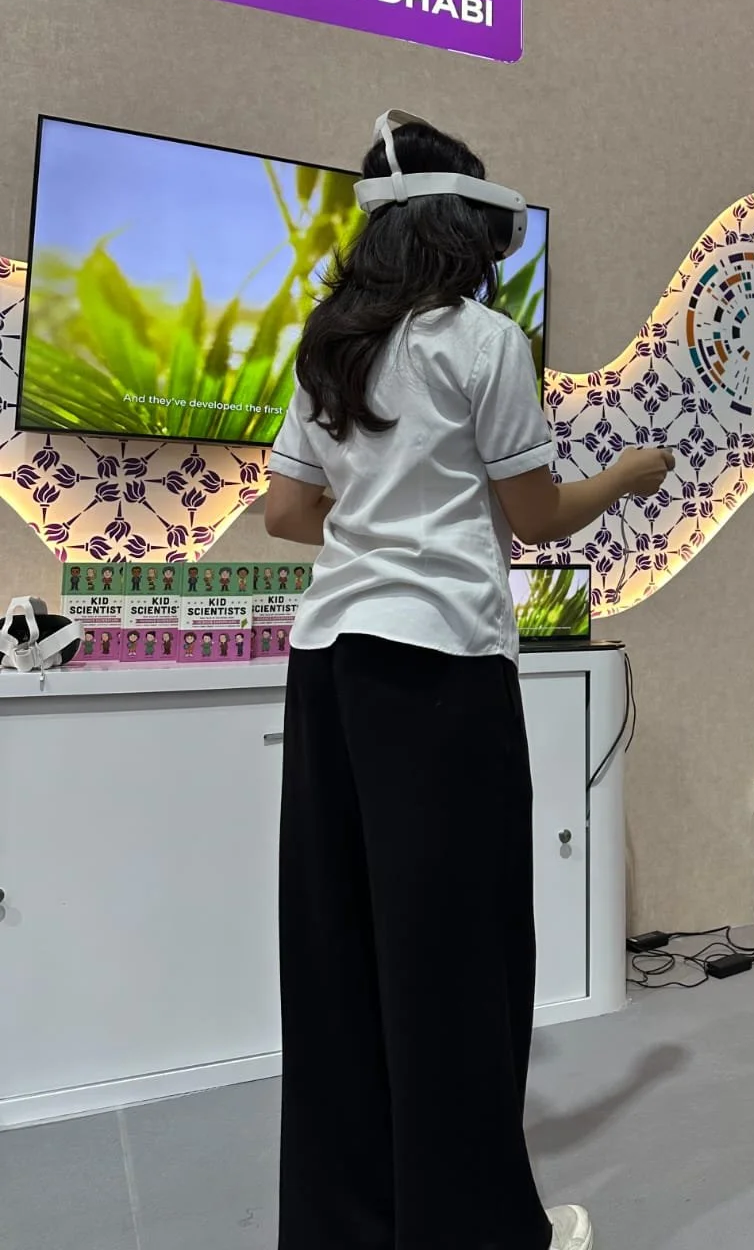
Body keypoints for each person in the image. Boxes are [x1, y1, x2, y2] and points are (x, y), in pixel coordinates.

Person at [265, 110, 673, 1250]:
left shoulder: (328, 342)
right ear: (459, 229)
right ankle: (476, 1230)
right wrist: (628, 473)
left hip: (328, 667)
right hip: (441, 671)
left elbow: (286, 511)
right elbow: (534, 516)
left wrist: (382, 522)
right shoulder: (484, 342)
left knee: (341, 951)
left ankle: (348, 1225)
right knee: (454, 955)